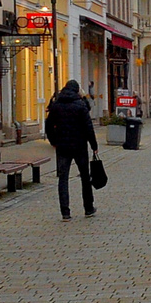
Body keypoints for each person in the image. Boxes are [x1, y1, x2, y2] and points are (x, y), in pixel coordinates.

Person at [43, 80, 98, 221]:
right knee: (85, 177)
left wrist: (53, 141)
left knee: (63, 178)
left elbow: (48, 125)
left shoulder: (56, 106)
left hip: (62, 146)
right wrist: (94, 145)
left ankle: (65, 212)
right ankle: (88, 208)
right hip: (79, 146)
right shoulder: (80, 105)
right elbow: (88, 127)